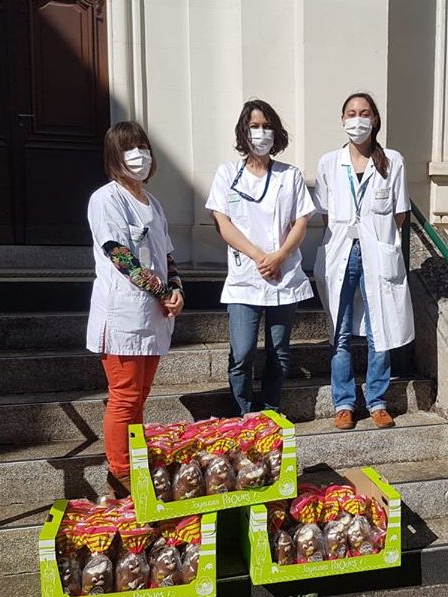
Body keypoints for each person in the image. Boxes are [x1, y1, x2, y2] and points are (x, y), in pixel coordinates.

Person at [86, 121, 184, 498]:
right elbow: (119, 255)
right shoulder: (106, 199)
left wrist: (175, 288)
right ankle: (120, 470)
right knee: (124, 395)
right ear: (114, 156)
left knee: (140, 397)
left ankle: (133, 457)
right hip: (124, 313)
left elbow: (167, 254)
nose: (138, 155)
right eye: (128, 148)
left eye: (142, 146)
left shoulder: (152, 202)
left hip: (153, 315)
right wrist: (160, 290)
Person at [206, 99, 316, 415]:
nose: (261, 132)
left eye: (267, 126)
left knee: (279, 351)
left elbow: (301, 221)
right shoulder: (228, 173)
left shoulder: (289, 175)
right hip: (246, 276)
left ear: (276, 132)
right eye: (254, 126)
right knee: (242, 352)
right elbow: (221, 221)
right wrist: (258, 256)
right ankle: (243, 411)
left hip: (283, 275)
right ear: (244, 131)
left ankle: (270, 410)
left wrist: (280, 255)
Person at [313, 92, 414, 431]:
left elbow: (399, 213)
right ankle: (343, 403)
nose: (358, 119)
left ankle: (377, 401)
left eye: (365, 112)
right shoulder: (329, 162)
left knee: (379, 328)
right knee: (340, 332)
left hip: (377, 254)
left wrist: (375, 239)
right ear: (343, 120)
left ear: (375, 120)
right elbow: (326, 214)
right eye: (352, 113)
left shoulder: (392, 160)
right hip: (340, 252)